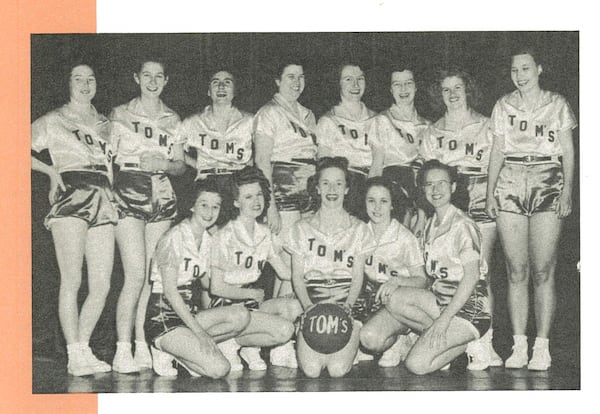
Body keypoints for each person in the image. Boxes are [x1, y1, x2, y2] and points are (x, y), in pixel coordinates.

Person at [486, 47, 576, 371]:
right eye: (515, 70)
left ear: (539, 69)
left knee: (542, 269)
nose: (520, 76)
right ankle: (519, 344)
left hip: (547, 178)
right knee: (515, 269)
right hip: (510, 178)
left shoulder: (557, 104)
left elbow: (567, 149)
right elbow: (497, 149)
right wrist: (489, 191)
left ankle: (542, 346)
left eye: (525, 69)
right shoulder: (503, 105)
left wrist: (567, 191)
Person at [31, 63, 117, 376]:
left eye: (90, 78)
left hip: (104, 197)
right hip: (72, 193)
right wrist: (50, 171)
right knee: (72, 279)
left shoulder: (108, 124)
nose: (85, 84)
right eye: (78, 78)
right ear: (67, 83)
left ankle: (82, 348)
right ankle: (74, 351)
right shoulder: (54, 119)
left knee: (102, 284)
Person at [421, 67, 502, 369]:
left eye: (458, 88)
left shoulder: (488, 125)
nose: (453, 94)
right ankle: (446, 338)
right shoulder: (432, 132)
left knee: (482, 272)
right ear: (438, 95)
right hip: (448, 203)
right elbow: (430, 177)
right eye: (446, 89)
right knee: (443, 273)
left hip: (480, 196)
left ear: (468, 90)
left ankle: (484, 343)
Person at [110, 58, 186, 373]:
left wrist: (164, 165)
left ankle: (143, 344)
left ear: (166, 81)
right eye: (146, 75)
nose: (152, 81)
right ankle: (121, 349)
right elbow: (105, 161)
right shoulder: (119, 113)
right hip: (128, 188)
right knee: (135, 275)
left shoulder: (173, 118)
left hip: (162, 192)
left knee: (152, 278)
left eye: (158, 76)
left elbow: (180, 164)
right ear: (136, 78)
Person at [383, 160, 491, 374]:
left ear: (453, 187)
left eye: (442, 183)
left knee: (416, 365)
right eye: (429, 185)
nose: (435, 190)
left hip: (469, 308)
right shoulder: (432, 222)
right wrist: (397, 281)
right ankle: (441, 339)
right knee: (392, 297)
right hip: (441, 300)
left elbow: (471, 277)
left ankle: (468, 341)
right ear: (423, 190)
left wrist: (443, 320)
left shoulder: (463, 225)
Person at [145, 179, 250, 378]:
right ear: (192, 205)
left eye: (215, 206)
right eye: (204, 205)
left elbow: (209, 285)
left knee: (241, 315)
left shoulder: (208, 240)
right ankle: (164, 348)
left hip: (189, 315)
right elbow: (170, 291)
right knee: (220, 369)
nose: (209, 212)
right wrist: (200, 333)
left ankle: (183, 351)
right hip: (163, 318)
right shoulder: (173, 237)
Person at [286, 157, 375, 378]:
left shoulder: (360, 229)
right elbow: (297, 277)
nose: (332, 189)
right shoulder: (301, 228)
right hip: (313, 303)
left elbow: (358, 277)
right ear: (317, 188)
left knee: (337, 371)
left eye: (338, 183)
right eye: (325, 183)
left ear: (346, 189)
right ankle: (300, 333)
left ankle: (354, 333)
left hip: (345, 301)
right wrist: (308, 308)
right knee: (311, 371)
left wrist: (348, 307)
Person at [209, 166, 300, 371]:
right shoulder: (224, 235)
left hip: (251, 306)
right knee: (284, 330)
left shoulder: (264, 233)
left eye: (259, 194)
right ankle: (231, 342)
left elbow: (285, 273)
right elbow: (216, 288)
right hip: (226, 308)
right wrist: (251, 292)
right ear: (235, 201)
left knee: (293, 307)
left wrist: (314, 271)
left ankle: (239, 344)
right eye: (248, 197)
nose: (256, 201)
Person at [254, 62, 318, 300]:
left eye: (301, 76)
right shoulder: (269, 112)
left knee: (301, 262)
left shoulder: (307, 114)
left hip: (309, 192)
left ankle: (280, 323)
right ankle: (276, 324)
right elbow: (261, 160)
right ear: (278, 81)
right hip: (284, 191)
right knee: (290, 265)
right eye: (290, 76)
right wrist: (270, 206)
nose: (296, 82)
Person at [357, 177, 428, 368]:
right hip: (368, 298)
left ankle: (402, 336)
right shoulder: (359, 232)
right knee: (363, 342)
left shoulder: (404, 237)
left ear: (392, 205)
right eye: (371, 201)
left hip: (396, 300)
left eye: (384, 201)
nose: (377, 207)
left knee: (370, 338)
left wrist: (397, 281)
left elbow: (422, 280)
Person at [316, 63, 379, 221]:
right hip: (344, 190)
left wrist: (372, 190)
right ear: (337, 83)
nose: (356, 85)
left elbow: (380, 160)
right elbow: (323, 166)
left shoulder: (378, 119)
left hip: (373, 184)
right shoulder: (328, 120)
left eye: (360, 79)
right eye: (348, 79)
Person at [370, 68, 429, 233]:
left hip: (422, 197)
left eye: (408, 83)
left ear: (416, 87)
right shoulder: (382, 120)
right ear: (390, 89)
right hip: (394, 192)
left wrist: (423, 215)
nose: (403, 89)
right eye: (397, 84)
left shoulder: (428, 126)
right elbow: (376, 166)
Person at [180, 70, 253, 195]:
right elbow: (173, 148)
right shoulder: (193, 122)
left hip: (239, 181)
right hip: (207, 181)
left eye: (227, 82)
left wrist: (248, 166)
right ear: (209, 91)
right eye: (215, 82)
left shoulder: (250, 120)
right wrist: (197, 165)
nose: (221, 86)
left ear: (234, 91)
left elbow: (266, 150)